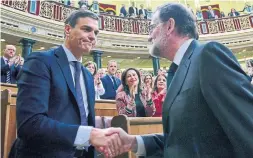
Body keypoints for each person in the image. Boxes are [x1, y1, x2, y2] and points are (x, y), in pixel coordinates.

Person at [102, 3, 253, 158]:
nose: (149, 36)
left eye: (152, 27)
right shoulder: (176, 71)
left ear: (169, 26)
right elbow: (181, 142)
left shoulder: (208, 54)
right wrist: (133, 142)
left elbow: (247, 128)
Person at [9, 10, 123, 158]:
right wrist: (88, 135)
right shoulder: (40, 61)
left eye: (96, 32)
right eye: (86, 29)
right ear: (68, 29)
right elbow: (30, 124)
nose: (92, 36)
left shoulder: (88, 76)